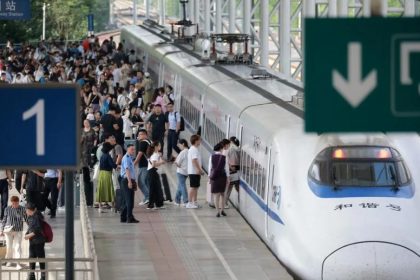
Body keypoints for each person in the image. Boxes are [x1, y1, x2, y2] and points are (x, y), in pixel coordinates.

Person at [1, 196, 26, 269]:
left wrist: (31, 228)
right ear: (11, 203)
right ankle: (9, 261)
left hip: (18, 230)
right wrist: (1, 230)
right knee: (9, 247)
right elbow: (4, 219)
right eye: (14, 203)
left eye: (17, 203)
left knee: (18, 247)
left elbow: (26, 218)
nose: (15, 205)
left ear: (18, 202)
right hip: (8, 230)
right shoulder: (7, 209)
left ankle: (18, 263)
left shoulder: (22, 209)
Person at [25, 203, 46, 280]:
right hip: (33, 241)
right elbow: (31, 227)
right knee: (32, 257)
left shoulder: (36, 217)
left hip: (38, 241)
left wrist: (28, 235)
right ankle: (32, 275)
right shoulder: (32, 216)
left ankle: (42, 276)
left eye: (26, 210)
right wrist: (27, 232)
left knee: (40, 258)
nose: (26, 212)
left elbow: (37, 230)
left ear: (29, 210)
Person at [209, 143, 230, 217]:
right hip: (222, 177)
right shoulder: (224, 157)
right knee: (223, 194)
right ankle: (222, 210)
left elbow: (210, 168)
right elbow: (226, 168)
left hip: (214, 177)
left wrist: (210, 178)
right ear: (221, 149)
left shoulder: (212, 157)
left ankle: (217, 211)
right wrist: (228, 178)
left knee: (216, 195)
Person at [96, 142, 117, 213]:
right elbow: (113, 165)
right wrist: (117, 166)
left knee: (101, 189)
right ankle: (113, 207)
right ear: (109, 149)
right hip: (107, 174)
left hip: (101, 174)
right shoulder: (108, 156)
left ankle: (100, 207)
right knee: (110, 188)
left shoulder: (102, 156)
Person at [81, 119, 97, 206]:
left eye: (86, 122)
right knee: (84, 161)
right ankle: (86, 168)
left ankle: (90, 167)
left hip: (91, 148)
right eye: (84, 123)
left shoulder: (92, 130)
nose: (86, 124)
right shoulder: (81, 131)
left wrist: (94, 145)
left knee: (90, 159)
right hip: (83, 149)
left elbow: (95, 138)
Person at [186, 135, 204, 209]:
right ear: (196, 141)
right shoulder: (193, 149)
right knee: (193, 187)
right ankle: (189, 203)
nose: (200, 141)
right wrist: (200, 170)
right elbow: (194, 161)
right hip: (194, 172)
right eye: (199, 140)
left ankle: (195, 202)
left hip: (195, 172)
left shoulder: (194, 149)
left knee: (196, 187)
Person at [146, 141, 165, 210]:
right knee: (154, 188)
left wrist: (160, 157)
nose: (160, 147)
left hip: (153, 172)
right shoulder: (154, 154)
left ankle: (157, 204)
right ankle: (151, 204)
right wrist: (161, 162)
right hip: (152, 172)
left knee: (156, 188)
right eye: (159, 145)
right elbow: (154, 165)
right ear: (156, 147)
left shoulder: (155, 154)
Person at [134, 129, 151, 205]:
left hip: (144, 165)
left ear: (145, 135)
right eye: (138, 134)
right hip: (149, 164)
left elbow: (139, 154)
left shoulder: (143, 143)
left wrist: (134, 163)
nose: (139, 136)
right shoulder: (149, 142)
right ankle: (148, 198)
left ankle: (148, 197)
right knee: (147, 182)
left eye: (141, 134)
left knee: (140, 182)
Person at [226, 137, 240, 207]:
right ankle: (224, 202)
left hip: (230, 171)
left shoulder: (231, 148)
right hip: (232, 172)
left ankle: (224, 202)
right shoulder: (233, 149)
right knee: (229, 188)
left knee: (229, 188)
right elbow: (234, 165)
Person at [174, 139, 189, 206]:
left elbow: (177, 163)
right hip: (187, 172)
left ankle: (185, 201)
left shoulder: (182, 152)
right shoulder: (189, 151)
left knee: (182, 186)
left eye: (179, 145)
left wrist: (178, 164)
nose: (179, 146)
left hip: (181, 172)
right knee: (180, 186)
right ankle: (177, 200)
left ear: (183, 144)